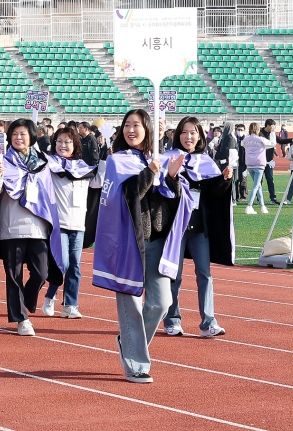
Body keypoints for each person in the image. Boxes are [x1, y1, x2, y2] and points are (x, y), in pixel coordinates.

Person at [91, 108, 190, 383]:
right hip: (129, 242)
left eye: (137, 125)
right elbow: (126, 196)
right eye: (127, 125)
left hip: (155, 240)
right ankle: (136, 363)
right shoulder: (117, 160)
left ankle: (129, 342)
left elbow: (169, 201)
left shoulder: (158, 158)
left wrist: (170, 177)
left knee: (161, 302)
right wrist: (148, 174)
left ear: (148, 129)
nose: (131, 130)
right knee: (132, 305)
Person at [0, 118, 64, 337]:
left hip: (38, 225)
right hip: (11, 225)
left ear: (32, 136)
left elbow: (49, 191)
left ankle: (27, 301)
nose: (18, 138)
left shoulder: (42, 162)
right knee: (14, 276)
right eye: (14, 134)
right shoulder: (2, 160)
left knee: (41, 272)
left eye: (23, 134)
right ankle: (21, 318)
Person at [162, 117, 234, 339]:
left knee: (205, 274)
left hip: (199, 227)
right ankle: (172, 320)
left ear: (200, 136)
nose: (188, 137)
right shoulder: (168, 158)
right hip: (175, 227)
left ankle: (208, 322)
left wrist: (224, 180)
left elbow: (215, 194)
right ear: (177, 135)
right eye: (184, 132)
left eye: (193, 132)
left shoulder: (207, 162)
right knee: (175, 275)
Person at [41, 126, 96, 319]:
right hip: (59, 224)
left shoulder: (83, 167)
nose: (63, 145)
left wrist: (107, 156)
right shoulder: (50, 165)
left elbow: (98, 181)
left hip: (78, 225)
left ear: (75, 145)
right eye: (60, 141)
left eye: (68, 141)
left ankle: (70, 305)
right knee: (61, 263)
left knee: (75, 267)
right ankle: (51, 295)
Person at [242, 123, 274, 214]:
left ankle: (263, 206)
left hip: (249, 164)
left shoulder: (246, 139)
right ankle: (249, 206)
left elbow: (242, 145)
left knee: (258, 185)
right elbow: (272, 144)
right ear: (258, 129)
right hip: (259, 164)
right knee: (256, 186)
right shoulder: (261, 139)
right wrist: (272, 134)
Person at [263, 119, 292, 204]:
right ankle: (258, 199)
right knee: (259, 181)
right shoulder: (260, 133)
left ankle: (273, 198)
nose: (274, 128)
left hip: (269, 161)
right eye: (273, 126)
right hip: (260, 161)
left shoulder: (272, 134)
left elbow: (281, 140)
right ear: (268, 125)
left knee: (270, 180)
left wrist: (292, 140)